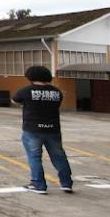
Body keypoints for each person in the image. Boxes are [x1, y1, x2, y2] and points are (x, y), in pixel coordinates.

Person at [13, 65, 73, 194]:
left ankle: (38, 184)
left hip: (32, 129)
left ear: (30, 76)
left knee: (34, 157)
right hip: (53, 129)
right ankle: (66, 183)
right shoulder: (57, 92)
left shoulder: (26, 90)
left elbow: (15, 100)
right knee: (59, 157)